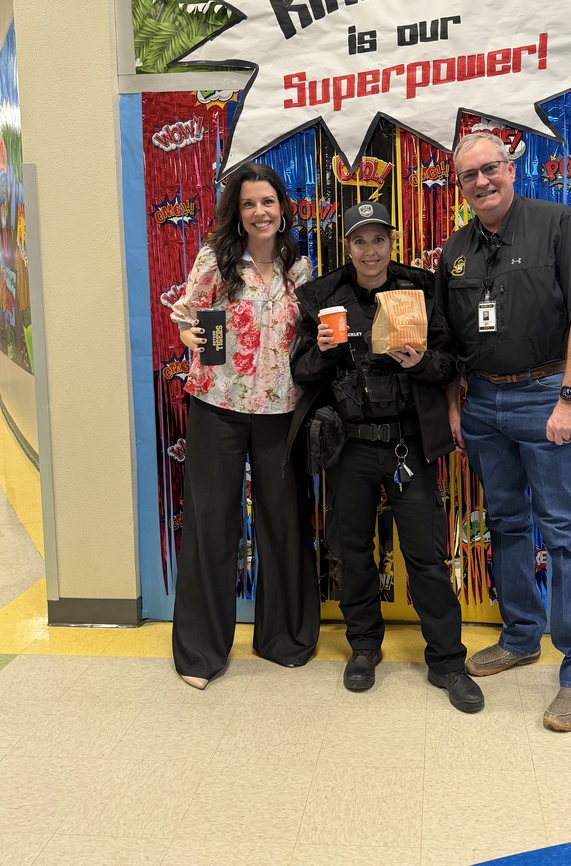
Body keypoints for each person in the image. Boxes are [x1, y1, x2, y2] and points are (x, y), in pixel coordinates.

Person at [435, 132, 571, 731]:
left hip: (546, 398)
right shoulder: (455, 251)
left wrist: (569, 398)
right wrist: (458, 404)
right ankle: (520, 636)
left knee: (564, 532)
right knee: (507, 523)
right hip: (483, 402)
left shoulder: (558, 223)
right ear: (457, 185)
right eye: (469, 175)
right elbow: (448, 339)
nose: (482, 182)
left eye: (491, 169)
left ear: (511, 169)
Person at [290, 201, 484, 713]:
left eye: (379, 239)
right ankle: (363, 647)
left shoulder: (419, 287)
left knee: (425, 554)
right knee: (351, 549)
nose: (370, 250)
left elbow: (451, 361)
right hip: (349, 444)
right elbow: (301, 371)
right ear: (346, 246)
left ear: (391, 242)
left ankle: (447, 661)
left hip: (408, 443)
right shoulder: (322, 297)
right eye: (360, 240)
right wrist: (325, 352)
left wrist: (422, 362)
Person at [169, 162, 320, 689]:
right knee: (212, 524)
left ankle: (285, 638)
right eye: (250, 203)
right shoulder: (216, 260)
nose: (260, 212)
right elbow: (187, 314)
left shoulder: (298, 267)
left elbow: (309, 330)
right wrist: (191, 337)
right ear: (237, 211)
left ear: (283, 208)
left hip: (282, 411)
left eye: (269, 202)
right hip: (218, 406)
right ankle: (200, 652)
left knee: (284, 523)